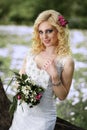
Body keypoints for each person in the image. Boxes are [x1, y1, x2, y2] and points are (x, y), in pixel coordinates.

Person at [9, 9, 74, 130]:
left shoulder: (66, 61)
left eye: (49, 31)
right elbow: (19, 80)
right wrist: (27, 92)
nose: (44, 37)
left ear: (59, 31)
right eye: (41, 32)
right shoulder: (32, 54)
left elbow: (62, 96)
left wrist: (54, 75)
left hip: (43, 119)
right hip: (22, 115)